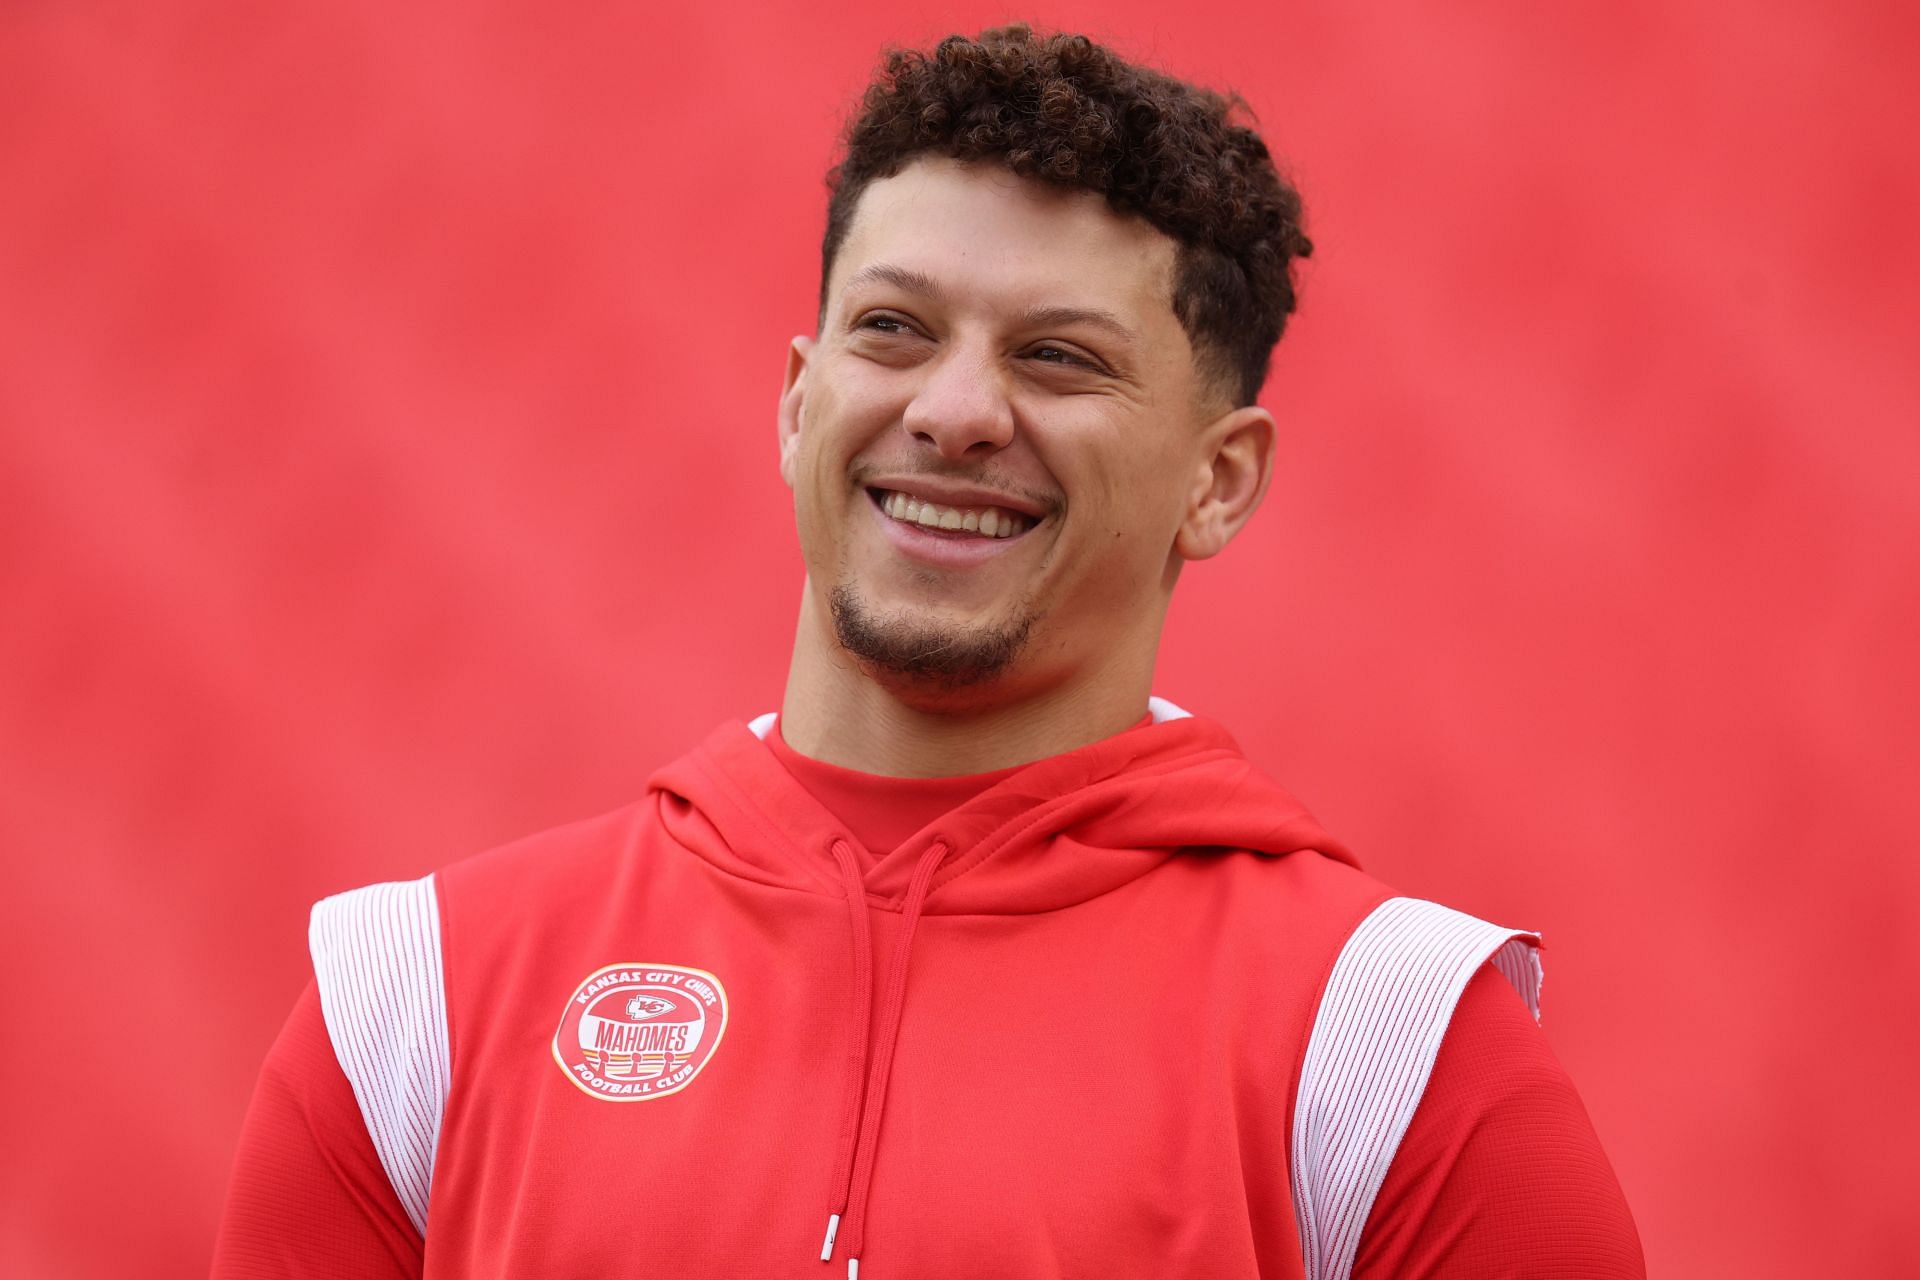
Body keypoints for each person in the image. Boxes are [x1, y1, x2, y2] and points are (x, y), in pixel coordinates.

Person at [214, 25, 1644, 1279]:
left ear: (1219, 481)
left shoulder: (1394, 1056)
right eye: (893, 330)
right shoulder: (416, 1006)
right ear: (796, 399)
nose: (955, 411)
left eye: (1059, 358)